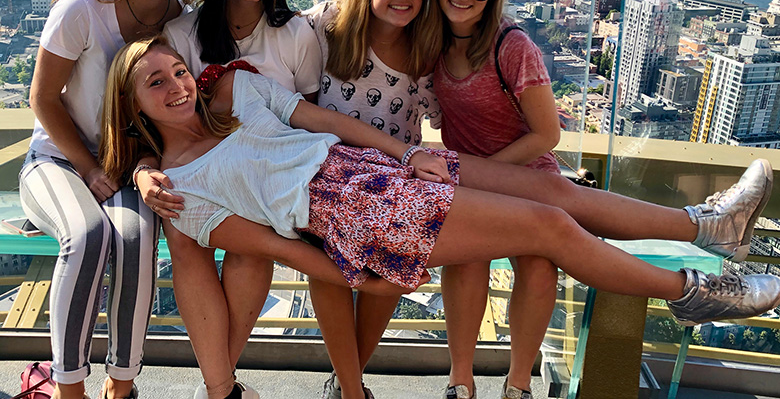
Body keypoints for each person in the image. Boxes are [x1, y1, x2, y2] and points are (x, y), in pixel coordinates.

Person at [103, 36, 780, 399]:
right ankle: (695, 293)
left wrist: (411, 152)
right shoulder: (179, 190)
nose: (177, 85)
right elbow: (265, 244)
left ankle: (706, 222)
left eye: (175, 70)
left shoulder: (234, 88)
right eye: (154, 82)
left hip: (377, 170)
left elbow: (327, 121)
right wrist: (349, 277)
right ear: (132, 107)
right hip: (357, 216)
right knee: (551, 231)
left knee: (554, 196)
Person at [19, 0, 203, 399]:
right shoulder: (82, 9)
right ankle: (68, 388)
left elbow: (161, 118)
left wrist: (140, 168)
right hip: (56, 160)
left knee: (135, 239)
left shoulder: (179, 23)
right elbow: (42, 97)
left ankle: (121, 386)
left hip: (125, 167)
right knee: (86, 236)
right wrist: (88, 166)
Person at [140, 0, 321, 399]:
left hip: (265, 180)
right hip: (199, 175)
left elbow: (305, 113)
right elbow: (155, 115)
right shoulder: (182, 34)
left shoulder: (297, 34)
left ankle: (219, 389)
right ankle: (223, 391)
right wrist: (143, 169)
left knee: (251, 247)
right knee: (182, 231)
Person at [303, 0, 442, 399]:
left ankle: (348, 384)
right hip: (326, 180)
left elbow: (455, 112)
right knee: (328, 270)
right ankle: (351, 389)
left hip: (393, 186)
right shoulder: (327, 26)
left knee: (389, 275)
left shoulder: (427, 51)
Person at [430, 0, 560, 399]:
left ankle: (518, 384)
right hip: (468, 176)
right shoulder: (429, 39)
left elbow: (548, 134)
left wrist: (484, 174)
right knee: (466, 261)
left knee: (541, 264)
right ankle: (460, 381)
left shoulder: (513, 48)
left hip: (522, 172)